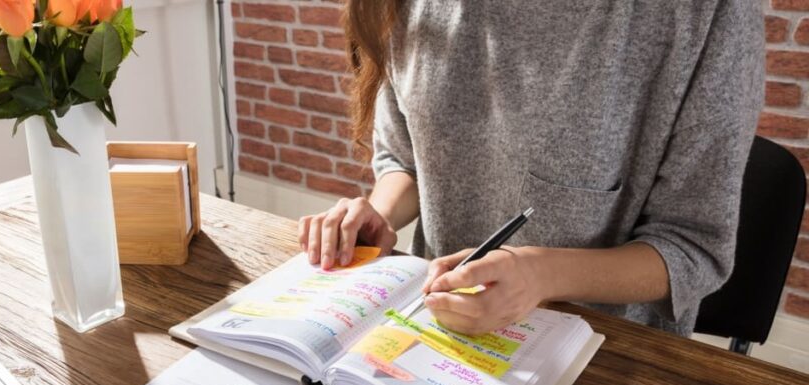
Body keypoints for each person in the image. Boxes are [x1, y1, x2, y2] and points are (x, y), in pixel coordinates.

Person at [298, 0, 764, 336]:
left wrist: (541, 274)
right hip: (435, 329)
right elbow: (407, 159)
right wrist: (379, 213)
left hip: (603, 354)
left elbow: (692, 248)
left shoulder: (708, 14)